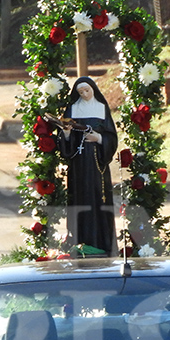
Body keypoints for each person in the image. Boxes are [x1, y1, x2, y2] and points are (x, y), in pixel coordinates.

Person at [56, 77, 118, 256]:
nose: (84, 94)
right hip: (78, 166)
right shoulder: (72, 109)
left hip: (97, 164)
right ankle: (79, 243)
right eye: (81, 92)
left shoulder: (101, 108)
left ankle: (102, 244)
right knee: (79, 199)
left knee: (98, 200)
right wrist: (66, 133)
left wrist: (99, 138)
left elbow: (112, 137)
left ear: (93, 90)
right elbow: (65, 141)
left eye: (87, 91)